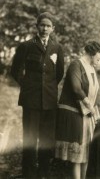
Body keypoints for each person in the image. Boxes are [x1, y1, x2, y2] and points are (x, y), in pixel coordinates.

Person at [10, 12, 64, 178]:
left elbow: (59, 73)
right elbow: (15, 70)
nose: (45, 29)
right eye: (42, 25)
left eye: (48, 26)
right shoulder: (26, 46)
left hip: (49, 102)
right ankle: (29, 174)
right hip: (31, 101)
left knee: (46, 141)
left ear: (53, 28)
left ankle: (43, 173)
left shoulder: (57, 48)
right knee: (30, 141)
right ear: (36, 27)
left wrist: (47, 89)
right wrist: (27, 86)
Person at [55, 40, 100, 179]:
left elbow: (92, 94)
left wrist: (95, 112)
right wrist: (90, 106)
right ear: (93, 52)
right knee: (77, 156)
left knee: (85, 154)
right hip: (73, 113)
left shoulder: (91, 68)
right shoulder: (76, 64)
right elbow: (76, 88)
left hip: (86, 114)